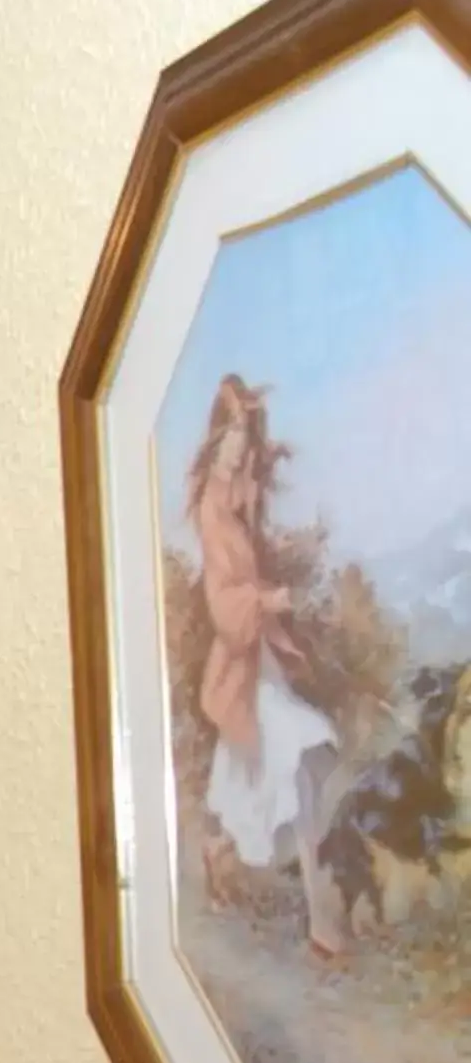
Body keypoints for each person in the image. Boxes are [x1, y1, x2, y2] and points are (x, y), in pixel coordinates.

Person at [186, 374, 346, 954]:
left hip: (262, 665)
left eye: (244, 435)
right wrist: (267, 601)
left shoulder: (240, 496)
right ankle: (320, 925)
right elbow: (222, 601)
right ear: (214, 438)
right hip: (239, 669)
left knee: (269, 782)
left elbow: (258, 515)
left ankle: (226, 856)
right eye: (230, 434)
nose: (237, 446)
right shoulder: (210, 509)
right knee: (294, 764)